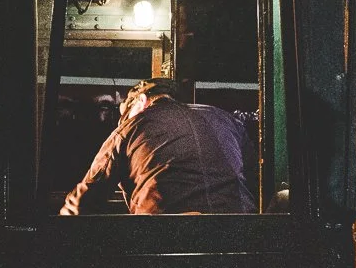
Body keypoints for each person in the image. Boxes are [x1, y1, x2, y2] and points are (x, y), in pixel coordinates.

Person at [59, 78, 258, 215]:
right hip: (237, 231)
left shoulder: (131, 127)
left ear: (141, 100)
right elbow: (252, 175)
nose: (123, 120)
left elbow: (84, 200)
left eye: (125, 112)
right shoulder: (223, 117)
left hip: (163, 238)